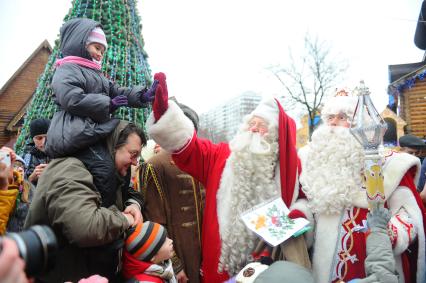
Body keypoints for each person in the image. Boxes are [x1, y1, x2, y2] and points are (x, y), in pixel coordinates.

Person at [147, 73, 304, 282]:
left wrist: (296, 216)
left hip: (269, 266)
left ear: (275, 135)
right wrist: (165, 114)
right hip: (220, 269)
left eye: (262, 125)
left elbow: (303, 202)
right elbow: (191, 149)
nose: (254, 129)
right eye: (251, 123)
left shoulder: (290, 170)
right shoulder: (220, 156)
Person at [291, 92, 426, 283]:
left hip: (377, 263)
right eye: (330, 117)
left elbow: (409, 216)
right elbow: (306, 200)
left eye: (342, 117)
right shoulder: (312, 162)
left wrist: (391, 233)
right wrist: (299, 214)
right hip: (323, 268)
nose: (334, 123)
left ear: (358, 125)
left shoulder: (391, 165)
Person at [45, 17, 157, 208]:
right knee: (104, 169)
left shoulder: (96, 74)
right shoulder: (67, 69)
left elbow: (117, 91)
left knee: (114, 167)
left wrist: (142, 96)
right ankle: (104, 212)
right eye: (97, 47)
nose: (100, 54)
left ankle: (114, 206)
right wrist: (108, 104)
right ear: (81, 44)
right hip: (74, 131)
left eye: (102, 51)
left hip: (91, 130)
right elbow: (72, 98)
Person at [24, 122, 145, 283]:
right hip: (60, 275)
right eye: (133, 154)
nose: (136, 162)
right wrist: (125, 218)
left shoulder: (107, 171)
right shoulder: (69, 168)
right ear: (113, 146)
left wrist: (133, 205)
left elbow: (130, 192)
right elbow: (85, 227)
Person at [139, 102, 204, 283]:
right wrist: (175, 264)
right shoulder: (155, 165)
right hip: (181, 254)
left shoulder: (202, 159)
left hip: (207, 253)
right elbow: (155, 221)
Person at [23, 118, 50, 186]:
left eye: (47, 137)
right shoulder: (26, 158)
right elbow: (20, 188)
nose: (44, 142)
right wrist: (32, 177)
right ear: (33, 139)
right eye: (39, 138)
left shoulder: (61, 153)